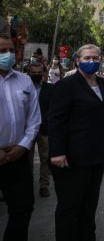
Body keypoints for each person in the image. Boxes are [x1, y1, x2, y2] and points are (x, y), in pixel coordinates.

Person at [48, 44, 104, 241]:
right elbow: (55, 120)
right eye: (87, 58)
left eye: (95, 58)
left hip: (96, 156)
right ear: (77, 61)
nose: (91, 61)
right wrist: (57, 151)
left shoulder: (103, 84)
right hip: (72, 158)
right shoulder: (66, 85)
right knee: (70, 208)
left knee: (89, 206)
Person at [0, 33, 41, 241]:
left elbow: (34, 119)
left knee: (23, 208)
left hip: (17, 156)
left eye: (10, 50)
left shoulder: (25, 80)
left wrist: (23, 146)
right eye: (2, 50)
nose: (8, 54)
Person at [27, 62, 54, 197]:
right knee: (27, 159)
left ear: (44, 73)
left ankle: (44, 185)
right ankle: (27, 185)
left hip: (44, 129)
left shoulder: (51, 89)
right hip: (27, 130)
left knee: (45, 158)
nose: (37, 75)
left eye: (39, 72)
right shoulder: (24, 88)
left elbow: (54, 108)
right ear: (29, 73)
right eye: (34, 73)